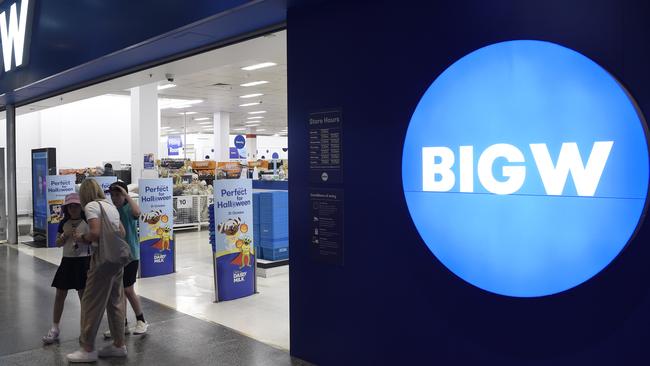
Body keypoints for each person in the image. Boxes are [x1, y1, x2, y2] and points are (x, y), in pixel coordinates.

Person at [66, 179, 128, 363]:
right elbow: (122, 232)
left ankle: (87, 349)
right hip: (116, 260)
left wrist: (81, 238)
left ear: (84, 194)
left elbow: (94, 233)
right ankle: (119, 345)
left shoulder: (92, 206)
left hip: (101, 260)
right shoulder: (110, 206)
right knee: (115, 301)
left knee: (90, 302)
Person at [42, 193, 92, 345]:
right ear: (67, 208)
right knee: (60, 294)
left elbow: (93, 241)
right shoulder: (64, 223)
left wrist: (82, 238)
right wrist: (64, 236)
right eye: (70, 206)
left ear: (80, 207)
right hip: (67, 261)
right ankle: (55, 328)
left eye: (76, 205)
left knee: (83, 297)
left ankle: (85, 330)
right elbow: (58, 243)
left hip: (83, 261)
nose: (73, 208)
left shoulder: (87, 222)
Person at [103, 181, 148, 338]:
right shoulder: (111, 211)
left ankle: (141, 320)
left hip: (131, 255)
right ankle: (122, 324)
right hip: (117, 256)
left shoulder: (128, 208)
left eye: (118, 194)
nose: (115, 198)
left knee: (128, 289)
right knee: (119, 291)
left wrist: (127, 195)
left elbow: (138, 212)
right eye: (113, 195)